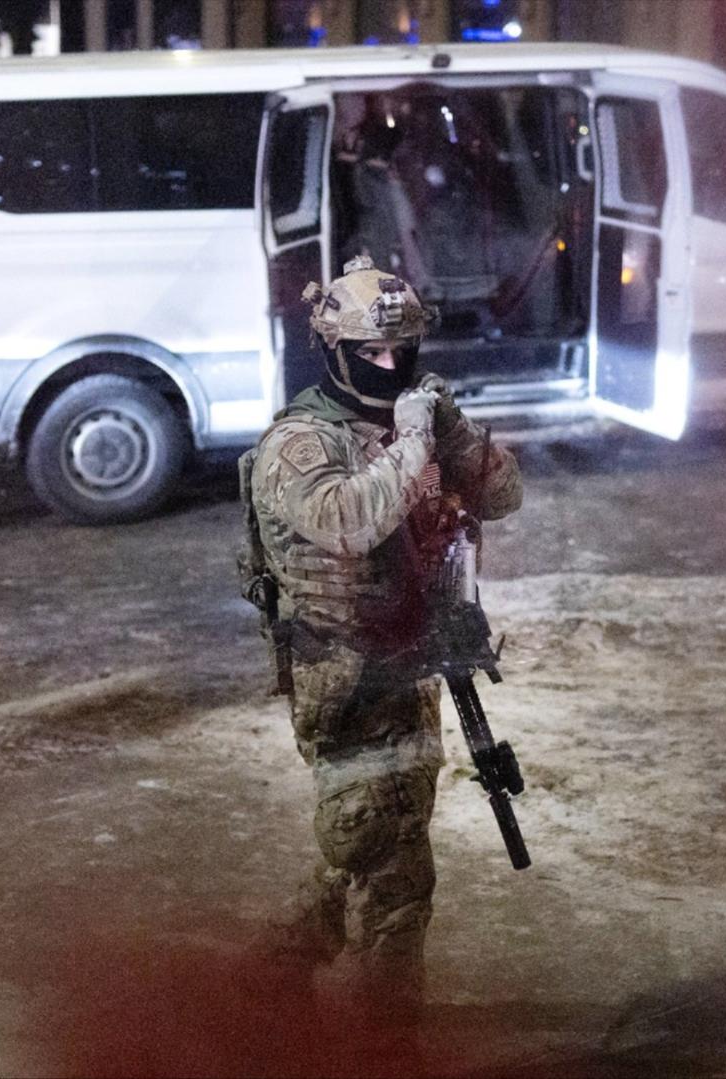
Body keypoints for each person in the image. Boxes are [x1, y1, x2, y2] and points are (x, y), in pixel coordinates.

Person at [239, 253, 522, 1011]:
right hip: (349, 682)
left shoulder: (412, 423)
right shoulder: (301, 444)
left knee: (366, 839)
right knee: (398, 881)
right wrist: (409, 440)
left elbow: (502, 494)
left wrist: (451, 428)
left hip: (413, 667)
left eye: (403, 351)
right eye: (371, 353)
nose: (391, 365)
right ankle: (385, 1043)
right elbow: (351, 519)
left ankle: (265, 977)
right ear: (332, 351)